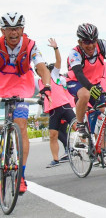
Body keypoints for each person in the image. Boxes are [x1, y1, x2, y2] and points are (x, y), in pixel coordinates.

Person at [0, 12, 52, 194]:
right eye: (8, 29)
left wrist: (46, 86)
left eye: (16, 29)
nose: (13, 33)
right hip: (1, 85)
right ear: (2, 30)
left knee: (20, 125)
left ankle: (20, 175)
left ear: (22, 29)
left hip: (22, 87)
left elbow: (42, 67)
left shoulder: (31, 46)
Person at [66, 23, 106, 142]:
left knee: (105, 112)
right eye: (86, 42)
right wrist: (90, 87)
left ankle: (101, 153)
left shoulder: (100, 44)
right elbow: (79, 74)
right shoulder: (75, 53)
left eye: (93, 41)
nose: (90, 45)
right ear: (80, 42)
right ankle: (80, 125)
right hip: (76, 82)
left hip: (94, 83)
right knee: (85, 94)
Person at [42, 38, 76, 167]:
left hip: (64, 106)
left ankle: (89, 147)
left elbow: (59, 61)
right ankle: (56, 159)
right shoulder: (38, 81)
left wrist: (56, 48)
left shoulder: (54, 75)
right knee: (53, 135)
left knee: (77, 126)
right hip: (53, 110)